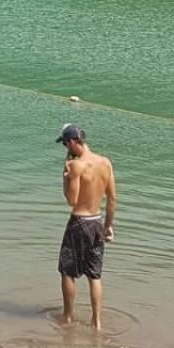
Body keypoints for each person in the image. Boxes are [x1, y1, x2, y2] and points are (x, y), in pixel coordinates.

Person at [57, 123, 115, 329]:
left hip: (79, 222)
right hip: (97, 221)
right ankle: (96, 322)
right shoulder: (105, 162)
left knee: (67, 271)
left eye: (65, 143)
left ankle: (68, 317)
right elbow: (112, 199)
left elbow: (71, 200)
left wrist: (65, 177)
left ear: (73, 142)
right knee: (94, 274)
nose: (65, 148)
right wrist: (108, 226)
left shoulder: (76, 166)